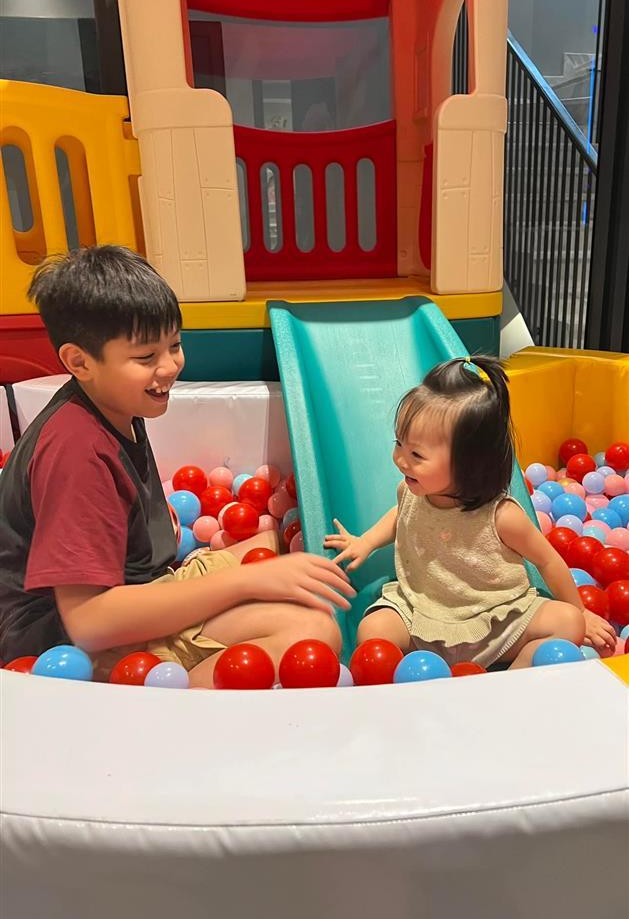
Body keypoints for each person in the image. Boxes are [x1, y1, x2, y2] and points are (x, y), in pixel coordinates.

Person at [0, 246, 353, 685]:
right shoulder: (77, 452)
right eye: (146, 357)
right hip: (61, 643)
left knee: (272, 542)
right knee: (311, 630)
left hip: (137, 586)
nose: (169, 367)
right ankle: (172, 709)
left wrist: (147, 522)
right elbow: (88, 622)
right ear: (79, 362)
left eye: (175, 345)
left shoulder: (113, 402)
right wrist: (249, 583)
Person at [325, 357, 616, 668]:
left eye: (416, 454)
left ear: (469, 464)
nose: (400, 459)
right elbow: (400, 515)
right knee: (372, 630)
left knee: (569, 623)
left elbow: (547, 560)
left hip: (497, 623)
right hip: (420, 613)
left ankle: (510, 679)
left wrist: (580, 610)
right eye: (399, 444)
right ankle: (416, 679)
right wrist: (366, 541)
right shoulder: (410, 492)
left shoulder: (502, 517)